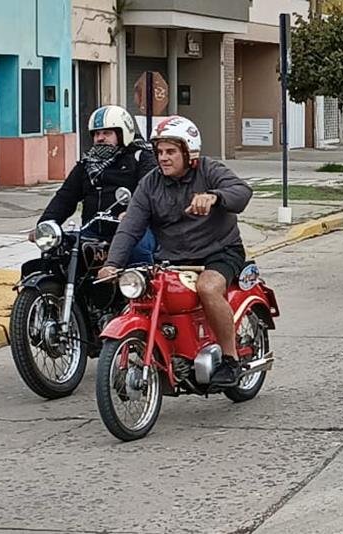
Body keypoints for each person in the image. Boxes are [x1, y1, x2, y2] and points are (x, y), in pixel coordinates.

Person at [98, 116, 254, 387]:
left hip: (219, 251)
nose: (163, 158)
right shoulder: (150, 183)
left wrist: (215, 196)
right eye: (159, 152)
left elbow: (242, 192)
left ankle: (230, 359)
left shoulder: (209, 170)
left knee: (207, 288)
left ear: (188, 152)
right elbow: (131, 226)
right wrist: (112, 263)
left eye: (170, 151)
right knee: (142, 295)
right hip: (172, 258)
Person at [33, 105, 157, 265]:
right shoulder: (87, 163)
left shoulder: (141, 157)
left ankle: (140, 287)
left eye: (107, 133)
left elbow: (149, 192)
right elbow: (65, 196)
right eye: (97, 134)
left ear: (123, 133)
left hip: (131, 229)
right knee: (58, 253)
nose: (100, 138)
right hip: (92, 228)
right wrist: (46, 223)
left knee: (138, 251)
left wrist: (132, 214)